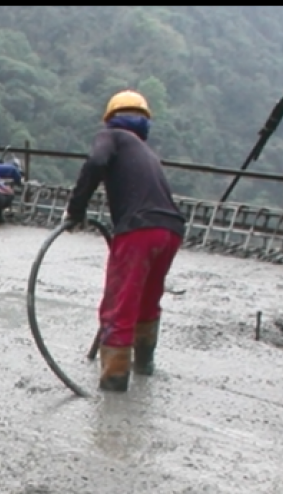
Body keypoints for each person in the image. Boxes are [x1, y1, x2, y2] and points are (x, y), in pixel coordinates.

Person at [61, 90, 185, 392]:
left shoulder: (112, 137)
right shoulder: (147, 152)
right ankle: (144, 364)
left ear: (111, 119)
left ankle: (115, 380)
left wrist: (75, 210)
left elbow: (95, 163)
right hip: (170, 230)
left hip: (138, 231)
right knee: (146, 299)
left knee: (121, 303)